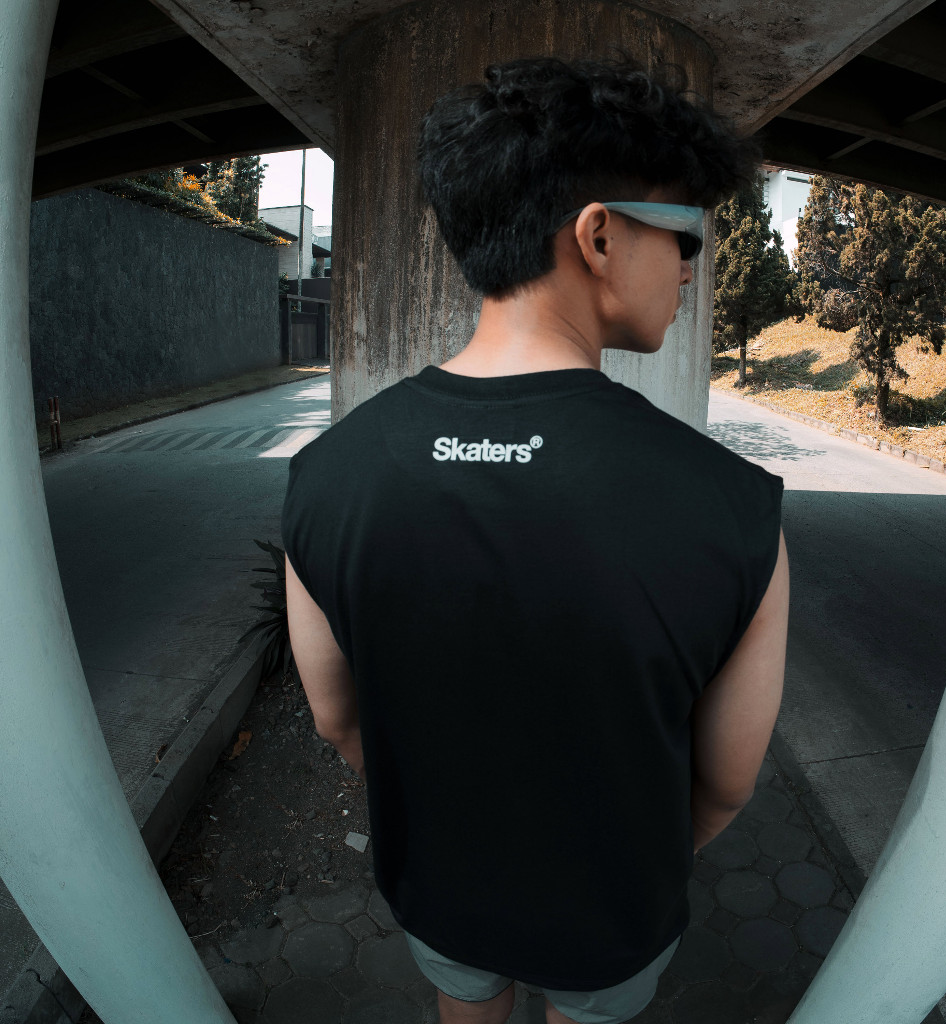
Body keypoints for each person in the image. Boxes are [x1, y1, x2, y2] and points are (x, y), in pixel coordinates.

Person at [282, 57, 789, 1024]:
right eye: (683, 234)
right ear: (599, 235)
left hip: (438, 889)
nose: (691, 267)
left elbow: (339, 720)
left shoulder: (325, 476)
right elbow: (725, 784)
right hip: (613, 910)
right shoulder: (734, 505)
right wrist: (618, 861)